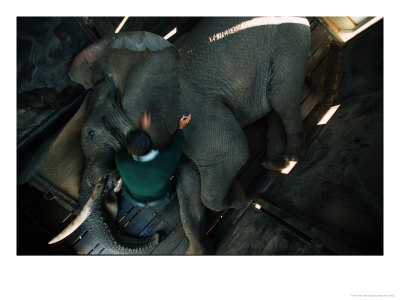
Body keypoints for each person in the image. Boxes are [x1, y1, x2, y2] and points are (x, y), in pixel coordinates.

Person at [114, 112, 191, 208]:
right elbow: (177, 146)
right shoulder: (166, 161)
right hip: (159, 196)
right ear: (151, 139)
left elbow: (121, 152)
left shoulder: (121, 160)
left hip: (133, 197)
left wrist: (141, 131)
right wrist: (181, 127)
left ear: (129, 151)